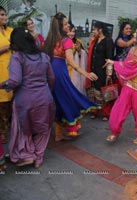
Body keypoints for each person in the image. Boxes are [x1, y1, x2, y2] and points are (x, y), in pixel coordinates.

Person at [0, 27, 55, 168]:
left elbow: (15, 81)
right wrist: (46, 92)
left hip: (25, 100)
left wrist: (1, 85)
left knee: (25, 128)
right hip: (44, 98)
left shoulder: (17, 57)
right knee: (43, 128)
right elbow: (51, 78)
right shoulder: (44, 57)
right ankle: (38, 157)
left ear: (16, 43)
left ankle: (27, 155)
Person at [44, 12, 100, 141]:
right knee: (70, 99)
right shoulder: (66, 40)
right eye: (65, 24)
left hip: (49, 74)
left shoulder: (49, 41)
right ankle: (68, 130)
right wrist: (86, 73)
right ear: (60, 26)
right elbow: (71, 62)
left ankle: (58, 134)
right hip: (60, 75)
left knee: (56, 101)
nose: (67, 26)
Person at [86, 22, 114, 121]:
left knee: (103, 91)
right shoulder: (95, 40)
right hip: (93, 69)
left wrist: (109, 74)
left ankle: (106, 113)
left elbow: (110, 58)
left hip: (102, 70)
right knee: (93, 90)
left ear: (100, 30)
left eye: (94, 29)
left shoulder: (108, 41)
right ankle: (94, 110)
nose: (93, 31)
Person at [0, 6, 13, 144]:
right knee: (2, 104)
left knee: (11, 103)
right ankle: (2, 132)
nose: (4, 17)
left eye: (5, 14)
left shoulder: (10, 31)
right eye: (1, 15)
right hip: (0, 72)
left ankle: (12, 129)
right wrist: (6, 48)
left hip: (12, 70)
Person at [67, 23, 87, 95]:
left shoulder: (78, 41)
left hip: (76, 71)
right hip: (66, 70)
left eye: (73, 31)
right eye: (70, 31)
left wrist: (79, 51)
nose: (72, 33)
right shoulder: (62, 42)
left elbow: (83, 56)